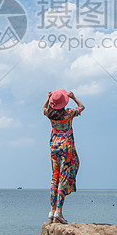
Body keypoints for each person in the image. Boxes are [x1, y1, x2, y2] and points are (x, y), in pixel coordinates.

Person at [43, 88, 85, 224]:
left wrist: (48, 98)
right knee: (63, 178)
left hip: (54, 148)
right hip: (66, 148)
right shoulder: (68, 114)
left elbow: (44, 107)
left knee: (55, 177)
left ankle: (51, 211)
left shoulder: (49, 114)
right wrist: (73, 97)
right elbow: (82, 107)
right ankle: (59, 213)